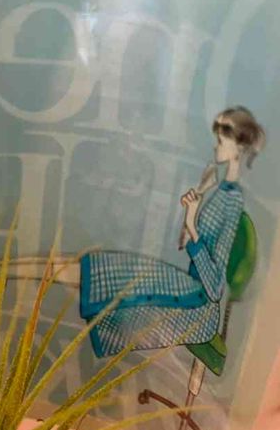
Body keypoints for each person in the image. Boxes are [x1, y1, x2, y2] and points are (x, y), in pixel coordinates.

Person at [79, 106, 266, 357]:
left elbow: (215, 287)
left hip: (198, 310)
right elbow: (186, 243)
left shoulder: (232, 202)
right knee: (109, 268)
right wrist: (198, 199)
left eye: (221, 142)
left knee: (119, 284)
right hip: (188, 288)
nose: (215, 147)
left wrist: (191, 223)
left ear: (238, 150)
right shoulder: (222, 190)